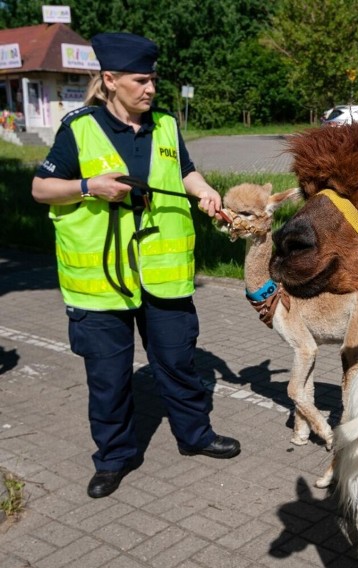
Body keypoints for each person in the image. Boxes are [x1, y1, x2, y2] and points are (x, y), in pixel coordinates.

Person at [31, 32, 240, 499]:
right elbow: (41, 189)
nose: (150, 89)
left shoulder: (165, 125)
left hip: (164, 280)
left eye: (153, 80)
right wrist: (89, 186)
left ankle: (195, 436)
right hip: (101, 285)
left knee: (179, 364)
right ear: (110, 80)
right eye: (140, 80)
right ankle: (114, 458)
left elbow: (183, 169)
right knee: (108, 379)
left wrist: (203, 190)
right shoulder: (78, 128)